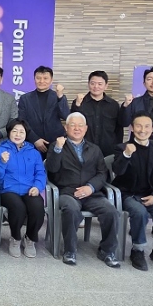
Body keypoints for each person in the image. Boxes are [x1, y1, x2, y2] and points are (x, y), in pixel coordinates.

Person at [45, 112, 120, 268]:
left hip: (92, 193)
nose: (77, 128)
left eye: (80, 125)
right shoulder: (56, 145)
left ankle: (107, 251)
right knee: (71, 209)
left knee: (111, 211)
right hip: (67, 192)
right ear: (66, 128)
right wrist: (58, 148)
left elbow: (102, 173)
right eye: (72, 125)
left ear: (86, 129)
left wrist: (90, 187)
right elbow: (52, 169)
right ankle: (70, 250)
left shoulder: (94, 149)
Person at [112, 111, 153, 271]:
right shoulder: (121, 148)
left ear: (152, 129)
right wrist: (126, 154)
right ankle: (138, 250)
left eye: (147, 126)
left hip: (150, 195)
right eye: (139, 126)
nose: (142, 130)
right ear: (132, 128)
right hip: (128, 195)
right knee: (140, 212)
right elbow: (117, 171)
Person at [0, 119, 46, 258]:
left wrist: (37, 187)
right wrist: (2, 162)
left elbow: (40, 173)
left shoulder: (33, 152)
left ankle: (30, 238)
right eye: (14, 131)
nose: (18, 135)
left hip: (29, 190)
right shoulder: (0, 151)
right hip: (8, 190)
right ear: (9, 133)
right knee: (18, 207)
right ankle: (15, 238)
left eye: (21, 132)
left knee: (38, 207)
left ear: (26, 134)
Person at [17, 66, 69, 159]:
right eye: (38, 78)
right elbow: (22, 121)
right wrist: (35, 139)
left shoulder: (57, 96)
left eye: (45, 78)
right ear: (34, 79)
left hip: (56, 142)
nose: (41, 81)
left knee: (55, 167)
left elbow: (66, 116)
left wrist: (60, 96)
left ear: (51, 80)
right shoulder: (25, 98)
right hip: (33, 144)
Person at [70, 70, 123, 157]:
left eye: (100, 84)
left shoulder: (113, 105)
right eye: (93, 83)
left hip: (108, 151)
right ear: (88, 84)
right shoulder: (79, 103)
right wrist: (77, 105)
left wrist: (117, 149)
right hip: (85, 150)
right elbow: (72, 124)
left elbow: (119, 130)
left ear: (106, 86)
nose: (96, 87)